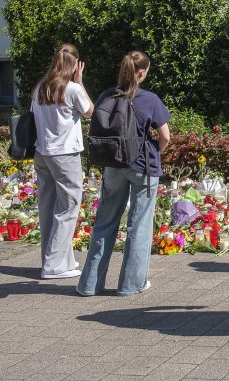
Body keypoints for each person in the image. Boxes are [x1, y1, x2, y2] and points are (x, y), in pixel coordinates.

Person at [77, 51, 171, 296]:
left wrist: (80, 83)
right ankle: (130, 285)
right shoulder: (149, 99)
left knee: (104, 223)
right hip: (143, 167)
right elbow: (165, 136)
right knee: (138, 226)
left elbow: (95, 115)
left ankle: (89, 285)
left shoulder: (108, 95)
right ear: (142, 73)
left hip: (113, 165)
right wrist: (154, 152)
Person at [31, 44, 94, 280]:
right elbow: (90, 111)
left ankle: (58, 260)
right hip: (65, 154)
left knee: (48, 208)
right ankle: (54, 265)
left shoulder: (40, 88)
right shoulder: (72, 89)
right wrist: (80, 81)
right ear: (75, 64)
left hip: (42, 152)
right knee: (68, 207)